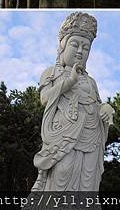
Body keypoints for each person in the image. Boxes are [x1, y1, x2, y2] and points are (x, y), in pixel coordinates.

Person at [31, 12, 114, 191]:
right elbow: (45, 99)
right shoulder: (52, 72)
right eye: (75, 44)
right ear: (62, 46)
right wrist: (68, 82)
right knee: (62, 172)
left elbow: (95, 105)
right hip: (64, 135)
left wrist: (104, 108)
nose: (79, 51)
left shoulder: (91, 81)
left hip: (91, 136)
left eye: (86, 48)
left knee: (88, 181)